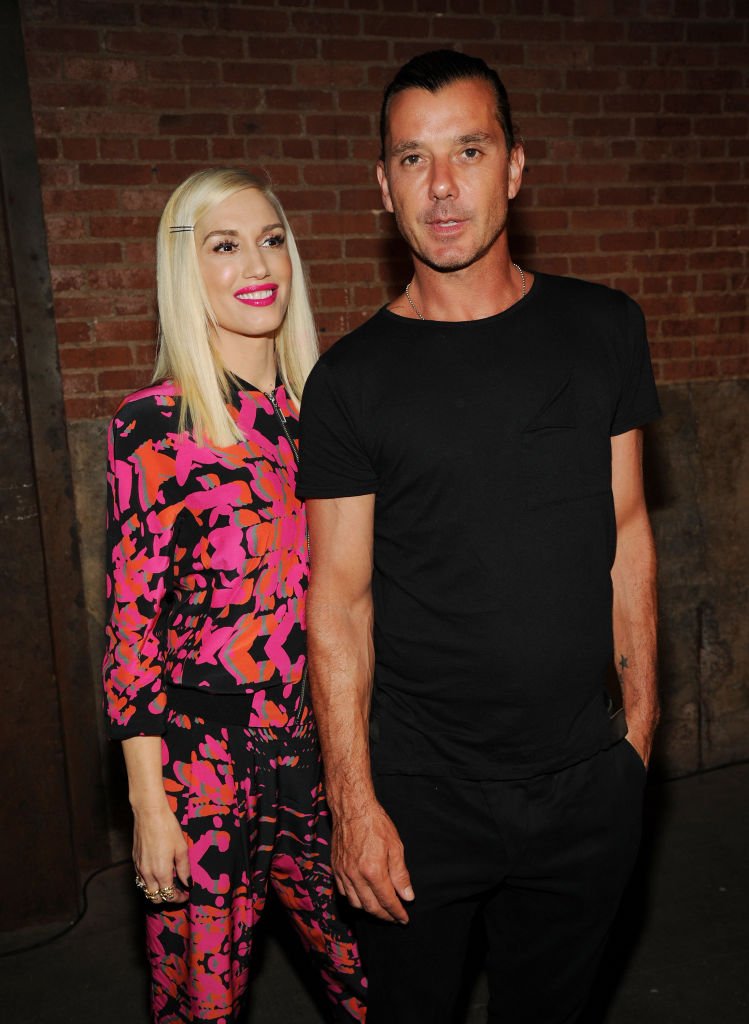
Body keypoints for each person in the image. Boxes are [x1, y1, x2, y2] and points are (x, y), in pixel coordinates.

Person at [296, 50, 660, 1024]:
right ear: (382, 185)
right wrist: (352, 804)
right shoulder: (349, 382)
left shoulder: (603, 329)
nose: (442, 186)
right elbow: (336, 600)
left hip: (585, 783)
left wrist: (637, 735)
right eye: (412, 159)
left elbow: (626, 534)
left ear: (513, 166)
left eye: (467, 149)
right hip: (419, 800)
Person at [102, 167, 367, 1023]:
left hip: (326, 752)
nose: (257, 263)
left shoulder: (326, 413)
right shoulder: (153, 425)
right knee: (201, 1007)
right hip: (203, 770)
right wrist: (149, 804)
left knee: (379, 980)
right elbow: (132, 628)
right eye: (224, 245)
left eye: (271, 239)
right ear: (185, 267)